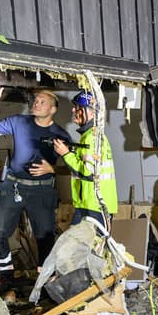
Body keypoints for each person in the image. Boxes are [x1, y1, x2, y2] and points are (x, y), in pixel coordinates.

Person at [0, 85, 71, 294]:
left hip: (42, 191)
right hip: (14, 187)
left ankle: (45, 283)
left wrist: (52, 168)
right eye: (35, 101)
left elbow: (71, 166)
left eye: (42, 102)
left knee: (45, 238)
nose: (36, 104)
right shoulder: (18, 122)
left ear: (53, 109)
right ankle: (5, 276)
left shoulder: (60, 134)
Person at [53, 91, 118, 230]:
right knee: (80, 247)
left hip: (94, 206)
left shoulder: (92, 137)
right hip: (91, 204)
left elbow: (88, 173)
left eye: (78, 107)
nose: (73, 110)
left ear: (93, 113)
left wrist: (65, 154)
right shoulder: (90, 136)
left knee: (87, 248)